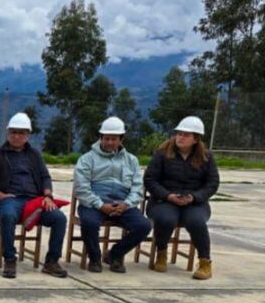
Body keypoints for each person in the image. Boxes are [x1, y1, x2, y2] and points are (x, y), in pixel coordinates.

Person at [0, 112, 69, 279]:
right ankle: (10, 259)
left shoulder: (34, 155)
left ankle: (51, 261)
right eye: (14, 132)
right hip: (10, 199)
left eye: (21, 133)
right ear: (8, 133)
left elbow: (45, 177)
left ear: (28, 135)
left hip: (35, 201)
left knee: (59, 218)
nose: (17, 136)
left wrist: (48, 196)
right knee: (7, 215)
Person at [144, 116, 220, 280]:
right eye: (179, 133)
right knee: (166, 219)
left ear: (195, 139)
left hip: (194, 202)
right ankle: (161, 252)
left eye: (186, 135)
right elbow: (150, 180)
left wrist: (194, 197)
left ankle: (205, 262)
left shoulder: (206, 157)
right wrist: (168, 195)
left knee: (196, 221)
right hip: (163, 200)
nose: (180, 137)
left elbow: (212, 183)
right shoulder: (162, 154)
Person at [72, 117, 151, 273]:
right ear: (100, 138)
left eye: (113, 139)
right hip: (95, 202)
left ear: (121, 139)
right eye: (106, 138)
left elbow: (137, 187)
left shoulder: (132, 160)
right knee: (89, 223)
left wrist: (127, 203)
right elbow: (81, 188)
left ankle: (115, 254)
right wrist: (101, 205)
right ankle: (94, 258)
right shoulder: (87, 159)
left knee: (144, 225)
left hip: (122, 203)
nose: (109, 142)